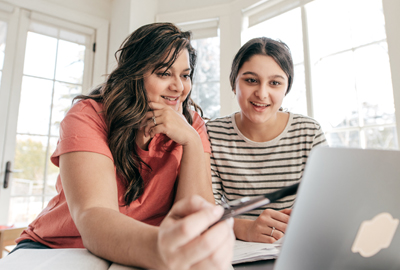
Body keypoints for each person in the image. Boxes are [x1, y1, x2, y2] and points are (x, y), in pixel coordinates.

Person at [13, 22, 234, 270]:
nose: (179, 87)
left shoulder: (192, 126)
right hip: (58, 249)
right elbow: (94, 216)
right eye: (163, 73)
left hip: (136, 254)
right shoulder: (88, 116)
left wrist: (191, 140)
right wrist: (162, 248)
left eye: (185, 75)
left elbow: (195, 218)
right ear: (135, 74)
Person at [206, 37, 327, 244]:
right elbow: (207, 212)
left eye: (275, 83)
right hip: (236, 251)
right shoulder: (212, 134)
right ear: (234, 83)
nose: (262, 93)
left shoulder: (309, 132)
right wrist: (245, 228)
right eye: (251, 80)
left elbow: (326, 204)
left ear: (286, 88)